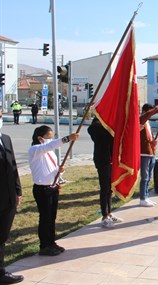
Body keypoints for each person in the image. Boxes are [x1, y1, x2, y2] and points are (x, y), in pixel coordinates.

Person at [29, 125, 79, 256]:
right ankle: (44, 246)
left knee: (52, 218)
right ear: (40, 138)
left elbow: (49, 166)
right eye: (48, 138)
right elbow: (49, 146)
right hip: (42, 189)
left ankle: (51, 242)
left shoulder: (49, 152)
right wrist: (67, 138)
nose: (50, 141)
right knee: (45, 218)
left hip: (53, 187)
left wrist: (58, 170)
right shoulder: (35, 150)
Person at [0, 112, 24, 284]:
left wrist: (18, 191)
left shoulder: (5, 139)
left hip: (8, 198)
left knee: (2, 236)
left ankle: (1, 272)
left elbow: (13, 166)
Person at [87, 118, 123, 228]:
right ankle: (104, 216)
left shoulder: (108, 126)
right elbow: (92, 129)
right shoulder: (97, 126)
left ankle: (109, 213)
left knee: (110, 188)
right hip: (103, 160)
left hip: (111, 159)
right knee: (104, 188)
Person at [139, 104, 158, 207]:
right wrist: (156, 110)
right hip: (144, 153)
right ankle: (142, 198)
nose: (151, 114)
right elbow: (146, 116)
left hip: (151, 152)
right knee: (144, 176)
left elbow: (149, 136)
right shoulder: (141, 120)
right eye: (149, 112)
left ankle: (146, 196)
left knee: (149, 176)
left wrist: (153, 142)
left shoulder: (147, 122)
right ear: (144, 111)